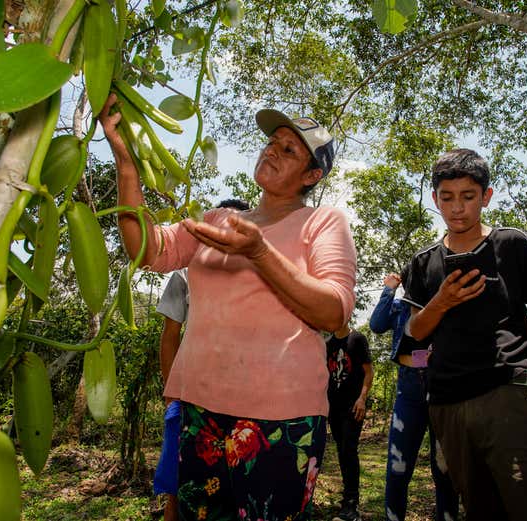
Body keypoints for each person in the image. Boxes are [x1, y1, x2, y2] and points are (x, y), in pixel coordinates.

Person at [100, 96, 357, 520]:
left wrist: (259, 252)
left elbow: (333, 312)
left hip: (280, 420)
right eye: (273, 141)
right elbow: (145, 249)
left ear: (312, 175)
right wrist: (126, 161)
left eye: (289, 149)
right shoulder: (218, 219)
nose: (272, 149)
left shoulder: (323, 223)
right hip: (200, 411)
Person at [403, 148, 527, 521]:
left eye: (468, 196)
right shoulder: (423, 262)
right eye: (447, 197)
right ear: (435, 200)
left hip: (510, 394)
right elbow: (415, 332)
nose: (457, 207)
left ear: (486, 196)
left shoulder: (512, 244)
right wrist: (441, 302)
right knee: (479, 507)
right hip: (447, 402)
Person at [153, 200, 249, 521]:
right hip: (191, 396)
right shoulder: (184, 269)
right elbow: (170, 334)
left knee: (235, 489)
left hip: (242, 401)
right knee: (177, 489)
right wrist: (171, 394)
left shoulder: (255, 271)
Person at [369, 271, 458, 521]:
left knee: (444, 468)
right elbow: (376, 325)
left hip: (442, 386)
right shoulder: (399, 307)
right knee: (398, 466)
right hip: (408, 386)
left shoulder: (444, 306)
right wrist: (389, 290)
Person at [325, 324, 373, 521]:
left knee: (348, 449)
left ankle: (352, 504)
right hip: (333, 407)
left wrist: (362, 398)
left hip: (353, 406)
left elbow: (368, 372)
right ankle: (347, 496)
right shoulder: (327, 343)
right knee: (341, 450)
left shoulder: (358, 339)